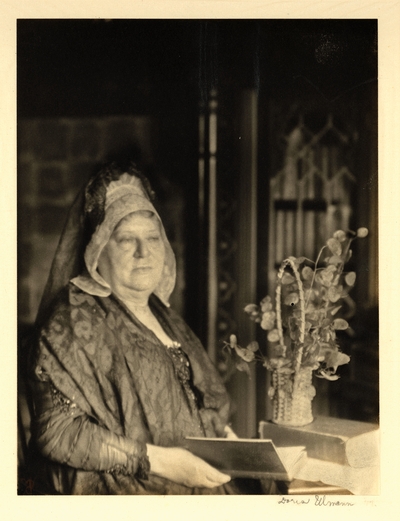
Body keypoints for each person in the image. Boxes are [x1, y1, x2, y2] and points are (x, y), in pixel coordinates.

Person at [28, 162, 270, 495]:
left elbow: (200, 404)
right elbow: (57, 434)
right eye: (127, 239)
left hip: (196, 475)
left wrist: (230, 444)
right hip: (122, 487)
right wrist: (167, 464)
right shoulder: (72, 320)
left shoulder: (166, 316)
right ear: (96, 251)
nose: (144, 253)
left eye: (153, 238)